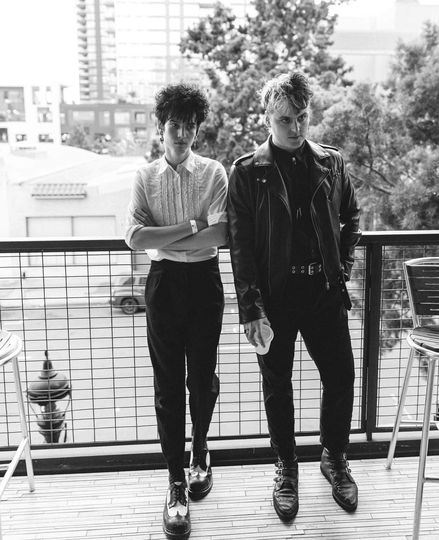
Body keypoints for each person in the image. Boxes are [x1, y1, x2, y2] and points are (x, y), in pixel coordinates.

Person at [227, 72, 361, 522]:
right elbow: (241, 247)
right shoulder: (248, 171)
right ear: (267, 117)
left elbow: (352, 218)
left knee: (341, 376)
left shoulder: (331, 162)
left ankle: (334, 457)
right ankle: (286, 467)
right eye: (286, 119)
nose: (297, 128)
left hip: (323, 292)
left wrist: (341, 268)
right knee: (277, 386)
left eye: (303, 117)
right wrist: (251, 307)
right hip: (275, 297)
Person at [124, 83, 228, 539]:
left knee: (202, 379)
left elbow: (221, 235)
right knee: (167, 387)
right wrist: (189, 227)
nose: (182, 133)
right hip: (163, 286)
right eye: (174, 125)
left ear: (197, 130)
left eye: (190, 126)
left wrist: (164, 235)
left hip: (205, 283)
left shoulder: (214, 173)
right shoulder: (144, 178)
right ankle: (174, 484)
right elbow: (135, 238)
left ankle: (200, 450)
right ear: (161, 127)